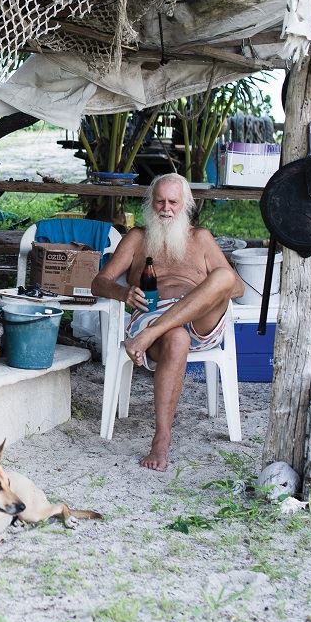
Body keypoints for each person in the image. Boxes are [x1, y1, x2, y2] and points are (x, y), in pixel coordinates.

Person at [91, 173, 243, 472]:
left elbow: (235, 288)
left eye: (173, 202)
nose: (166, 208)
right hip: (151, 314)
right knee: (177, 338)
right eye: (159, 201)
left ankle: (150, 335)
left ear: (185, 205)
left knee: (224, 277)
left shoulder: (201, 238)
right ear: (151, 203)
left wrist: (197, 295)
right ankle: (161, 439)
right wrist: (123, 293)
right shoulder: (136, 238)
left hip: (198, 319)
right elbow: (99, 283)